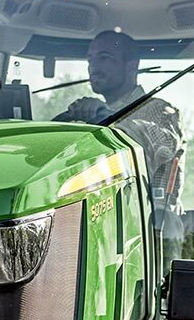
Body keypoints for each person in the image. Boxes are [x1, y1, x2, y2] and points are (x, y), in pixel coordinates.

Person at [60, 30, 184, 226]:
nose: (94, 67)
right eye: (90, 60)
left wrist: (105, 117)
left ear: (131, 66)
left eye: (104, 58)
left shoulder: (159, 110)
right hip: (106, 224)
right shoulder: (93, 117)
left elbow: (161, 146)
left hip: (154, 235)